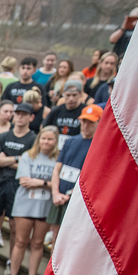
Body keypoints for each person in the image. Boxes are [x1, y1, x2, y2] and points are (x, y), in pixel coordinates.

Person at [0, 102, 37, 268]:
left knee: (14, 225)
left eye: (23, 114)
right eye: (17, 113)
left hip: (19, 186)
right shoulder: (3, 137)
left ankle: (11, 260)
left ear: (31, 117)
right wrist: (17, 159)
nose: (19, 117)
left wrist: (7, 160)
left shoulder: (33, 139)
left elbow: (29, 163)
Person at [8, 126, 58, 275]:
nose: (46, 142)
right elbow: (25, 181)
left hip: (44, 207)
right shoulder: (27, 156)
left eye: (50, 139)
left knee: (37, 243)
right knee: (21, 241)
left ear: (55, 141)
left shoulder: (57, 159)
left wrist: (40, 183)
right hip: (25, 205)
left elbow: (57, 183)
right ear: (38, 139)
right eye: (43, 138)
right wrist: (48, 183)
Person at [48, 103, 99, 252]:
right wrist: (55, 193)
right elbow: (57, 168)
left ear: (99, 122)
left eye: (91, 122)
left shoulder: (96, 146)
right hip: (59, 196)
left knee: (71, 238)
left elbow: (92, 176)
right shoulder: (70, 141)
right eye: (84, 121)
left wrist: (70, 194)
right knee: (55, 235)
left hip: (77, 199)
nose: (86, 125)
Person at [42, 80, 86, 149]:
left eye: (74, 95)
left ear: (80, 94)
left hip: (77, 147)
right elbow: (44, 128)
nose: (71, 98)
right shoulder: (56, 111)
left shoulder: (85, 111)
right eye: (68, 95)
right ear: (64, 94)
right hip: (56, 148)